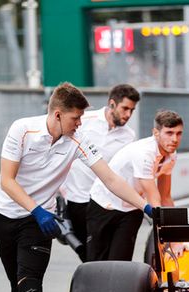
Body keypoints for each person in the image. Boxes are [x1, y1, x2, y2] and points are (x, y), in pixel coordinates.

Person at [0, 83, 154, 292]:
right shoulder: (21, 130)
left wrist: (144, 206)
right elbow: (7, 181)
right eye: (75, 118)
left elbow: (111, 178)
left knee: (29, 286)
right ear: (58, 114)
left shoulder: (78, 140)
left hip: (38, 223)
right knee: (18, 288)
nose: (80, 124)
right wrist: (36, 208)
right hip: (5, 216)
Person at [86, 110, 183, 262]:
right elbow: (154, 199)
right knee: (96, 262)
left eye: (178, 133)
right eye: (169, 133)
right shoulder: (144, 153)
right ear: (156, 133)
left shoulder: (171, 155)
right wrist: (172, 240)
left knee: (121, 262)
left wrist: (177, 240)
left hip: (132, 207)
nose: (175, 139)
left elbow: (165, 197)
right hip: (104, 204)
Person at [59, 84, 140, 261]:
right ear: (112, 104)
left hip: (106, 203)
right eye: (125, 108)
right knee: (88, 256)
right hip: (78, 200)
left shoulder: (129, 136)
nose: (128, 115)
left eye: (132, 110)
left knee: (111, 258)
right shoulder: (83, 121)